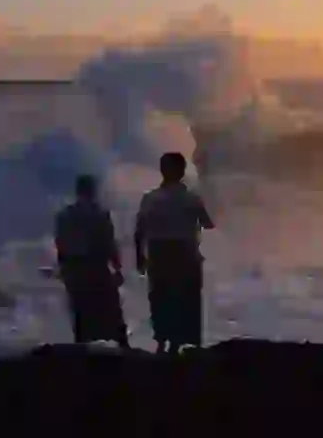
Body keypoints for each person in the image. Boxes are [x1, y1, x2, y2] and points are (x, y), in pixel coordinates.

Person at [134, 151, 215, 353]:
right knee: (185, 299)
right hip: (185, 253)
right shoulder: (191, 199)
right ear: (182, 172)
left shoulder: (150, 198)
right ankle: (179, 343)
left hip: (159, 252)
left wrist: (139, 257)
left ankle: (162, 341)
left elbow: (140, 231)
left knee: (160, 298)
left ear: (162, 171)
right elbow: (208, 224)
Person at [54, 175, 130, 349]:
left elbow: (60, 244)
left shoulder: (64, 215)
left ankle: (82, 349)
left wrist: (64, 269)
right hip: (95, 267)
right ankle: (122, 349)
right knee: (110, 310)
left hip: (74, 269)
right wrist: (117, 268)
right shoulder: (99, 213)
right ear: (93, 191)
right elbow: (109, 243)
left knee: (80, 311)